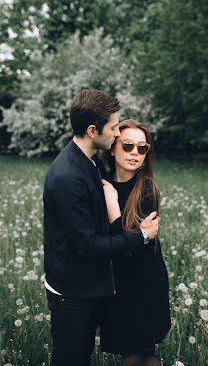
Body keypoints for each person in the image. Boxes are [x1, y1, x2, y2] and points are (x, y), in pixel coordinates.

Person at [43, 89, 160, 366]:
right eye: (114, 127)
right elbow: (87, 246)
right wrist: (141, 234)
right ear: (93, 130)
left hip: (90, 286)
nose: (118, 133)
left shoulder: (90, 162)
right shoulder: (68, 176)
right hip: (71, 292)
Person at [100, 119, 171, 366]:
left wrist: (111, 204)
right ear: (112, 147)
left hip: (144, 284)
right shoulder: (100, 181)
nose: (135, 153)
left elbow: (126, 245)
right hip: (117, 284)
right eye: (128, 145)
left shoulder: (147, 189)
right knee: (132, 352)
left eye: (142, 148)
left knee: (138, 353)